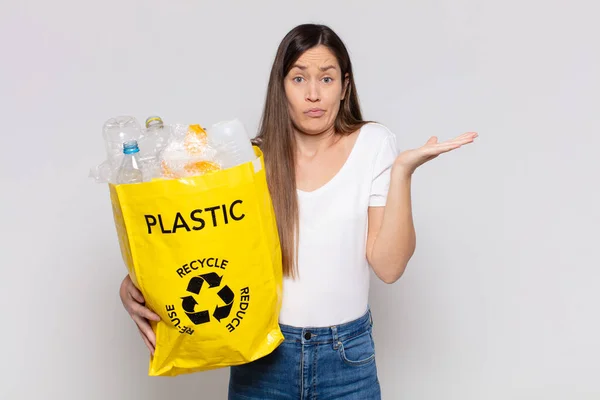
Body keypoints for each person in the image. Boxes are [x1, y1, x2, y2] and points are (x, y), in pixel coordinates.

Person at [119, 23, 477, 399]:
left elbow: (389, 267)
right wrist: (137, 285)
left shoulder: (374, 144)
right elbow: (196, 241)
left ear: (345, 87)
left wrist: (403, 172)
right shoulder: (248, 159)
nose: (313, 94)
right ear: (281, 87)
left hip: (347, 359)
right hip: (264, 358)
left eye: (326, 78)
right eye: (298, 78)